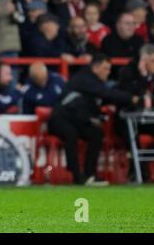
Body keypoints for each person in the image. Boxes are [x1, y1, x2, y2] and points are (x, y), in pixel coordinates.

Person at [48, 54, 139, 185]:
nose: (108, 73)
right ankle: (77, 176)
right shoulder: (84, 79)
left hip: (76, 119)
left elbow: (106, 97)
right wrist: (131, 98)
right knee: (70, 134)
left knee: (96, 133)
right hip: (60, 119)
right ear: (95, 68)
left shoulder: (95, 83)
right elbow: (105, 94)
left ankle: (90, 174)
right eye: (106, 69)